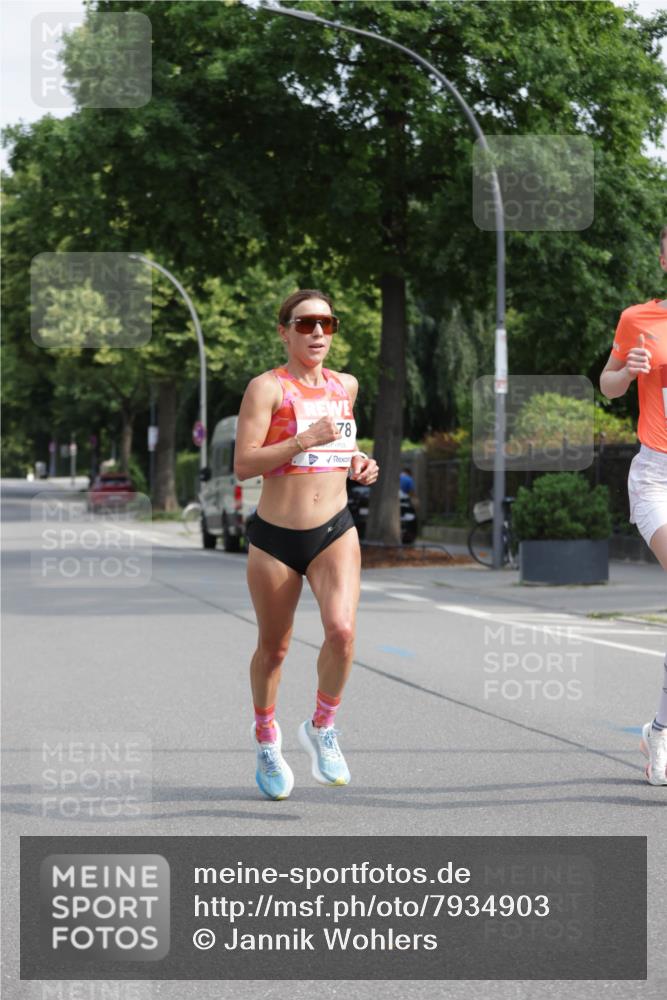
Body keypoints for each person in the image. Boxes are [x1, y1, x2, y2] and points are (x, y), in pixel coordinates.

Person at [234, 289, 380, 800]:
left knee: (342, 632)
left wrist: (359, 462)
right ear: (284, 331)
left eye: (327, 324)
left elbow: (340, 445)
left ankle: (322, 727)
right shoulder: (266, 389)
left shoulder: (346, 387)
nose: (318, 333)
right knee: (274, 649)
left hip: (334, 529)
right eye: (305, 323)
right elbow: (244, 463)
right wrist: (302, 440)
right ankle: (267, 738)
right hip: (275, 539)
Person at [600, 224, 667, 786]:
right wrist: (627, 371)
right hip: (657, 475)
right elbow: (608, 385)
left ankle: (660, 731)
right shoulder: (638, 319)